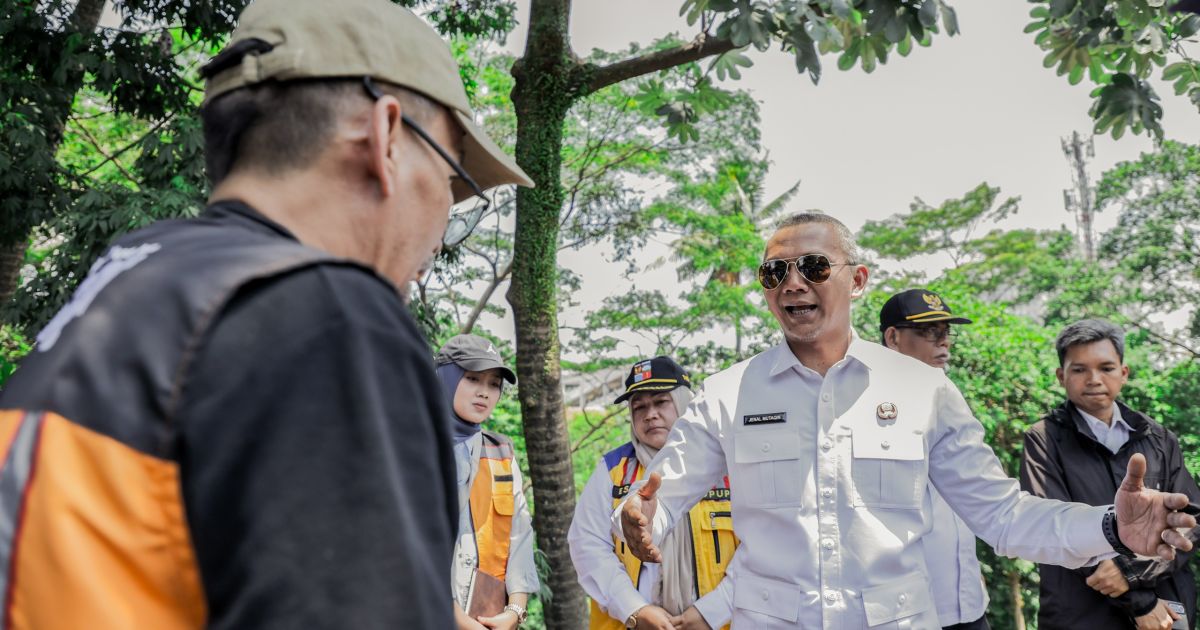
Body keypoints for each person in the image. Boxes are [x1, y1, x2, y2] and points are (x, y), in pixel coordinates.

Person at [0, 0, 532, 627]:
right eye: (452, 179)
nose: (444, 226)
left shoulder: (137, 274)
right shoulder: (328, 315)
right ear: (386, 137)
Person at [616, 212, 1197, 629]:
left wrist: (1110, 528)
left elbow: (1001, 514)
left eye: (814, 266)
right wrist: (638, 520)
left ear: (858, 279)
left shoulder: (925, 390)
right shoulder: (726, 394)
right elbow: (659, 497)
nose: (793, 282)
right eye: (775, 273)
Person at [1021, 319, 1200, 630]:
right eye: (1079, 369)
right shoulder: (1043, 440)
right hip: (1081, 614)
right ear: (1061, 376)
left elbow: (1191, 520)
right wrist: (1141, 604)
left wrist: (1131, 572)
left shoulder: (1158, 437)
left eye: (1106, 367)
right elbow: (1051, 524)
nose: (1094, 379)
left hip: (1166, 611)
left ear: (1124, 373)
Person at [569, 356, 739, 630]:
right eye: (639, 407)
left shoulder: (729, 466)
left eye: (661, 402)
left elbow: (759, 544)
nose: (650, 414)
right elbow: (587, 545)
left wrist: (713, 611)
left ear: (685, 403)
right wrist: (635, 610)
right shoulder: (613, 471)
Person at [880, 289, 989, 630]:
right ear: (893, 337)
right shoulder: (869, 405)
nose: (943, 343)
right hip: (906, 610)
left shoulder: (948, 393)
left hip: (967, 600)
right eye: (930, 333)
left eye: (946, 332)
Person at [436, 334, 538, 630]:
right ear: (446, 378)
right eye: (472, 379)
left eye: (493, 384)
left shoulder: (501, 452)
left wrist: (515, 610)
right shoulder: (413, 446)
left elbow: (520, 534)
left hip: (487, 616)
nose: (484, 392)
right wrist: (457, 619)